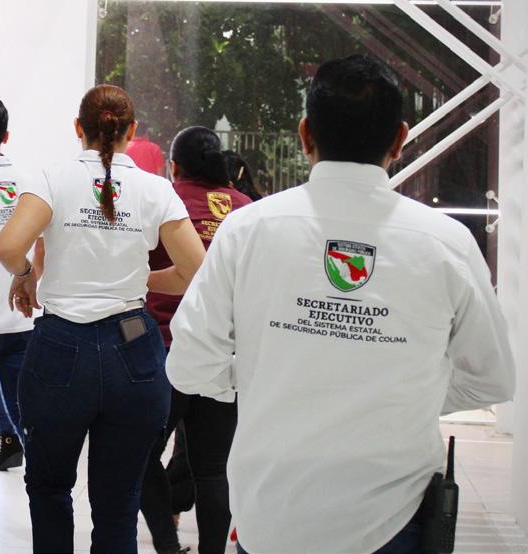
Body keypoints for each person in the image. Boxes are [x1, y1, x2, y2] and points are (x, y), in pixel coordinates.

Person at [165, 55, 516, 554]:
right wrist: (397, 392)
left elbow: (189, 365)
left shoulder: (248, 230)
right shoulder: (446, 243)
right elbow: (492, 380)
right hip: (394, 519)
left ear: (305, 134)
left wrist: (268, 377)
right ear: (400, 139)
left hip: (269, 518)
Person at [0, 84, 206, 554]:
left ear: (79, 128)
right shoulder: (156, 189)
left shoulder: (53, 178)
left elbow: (8, 248)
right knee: (119, 503)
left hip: (59, 351)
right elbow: (196, 270)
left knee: (49, 489)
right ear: (132, 131)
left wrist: (26, 275)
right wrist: (138, 279)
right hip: (134, 352)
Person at [141, 127, 252, 554]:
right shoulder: (244, 209)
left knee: (143, 456)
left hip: (164, 348)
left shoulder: (166, 200)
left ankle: (167, 546)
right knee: (212, 470)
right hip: (223, 353)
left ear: (175, 166)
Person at [0, 98, 42, 471]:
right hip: (21, 312)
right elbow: (43, 243)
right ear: (6, 135)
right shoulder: (29, 181)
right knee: (25, 407)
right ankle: (34, 462)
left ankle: (9, 442)